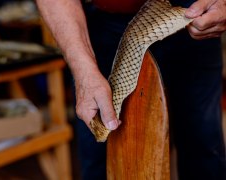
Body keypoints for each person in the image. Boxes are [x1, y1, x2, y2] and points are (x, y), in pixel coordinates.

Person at [36, 0, 226, 179]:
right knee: (103, 155)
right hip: (105, 21)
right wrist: (84, 71)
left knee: (203, 148)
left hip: (195, 14)